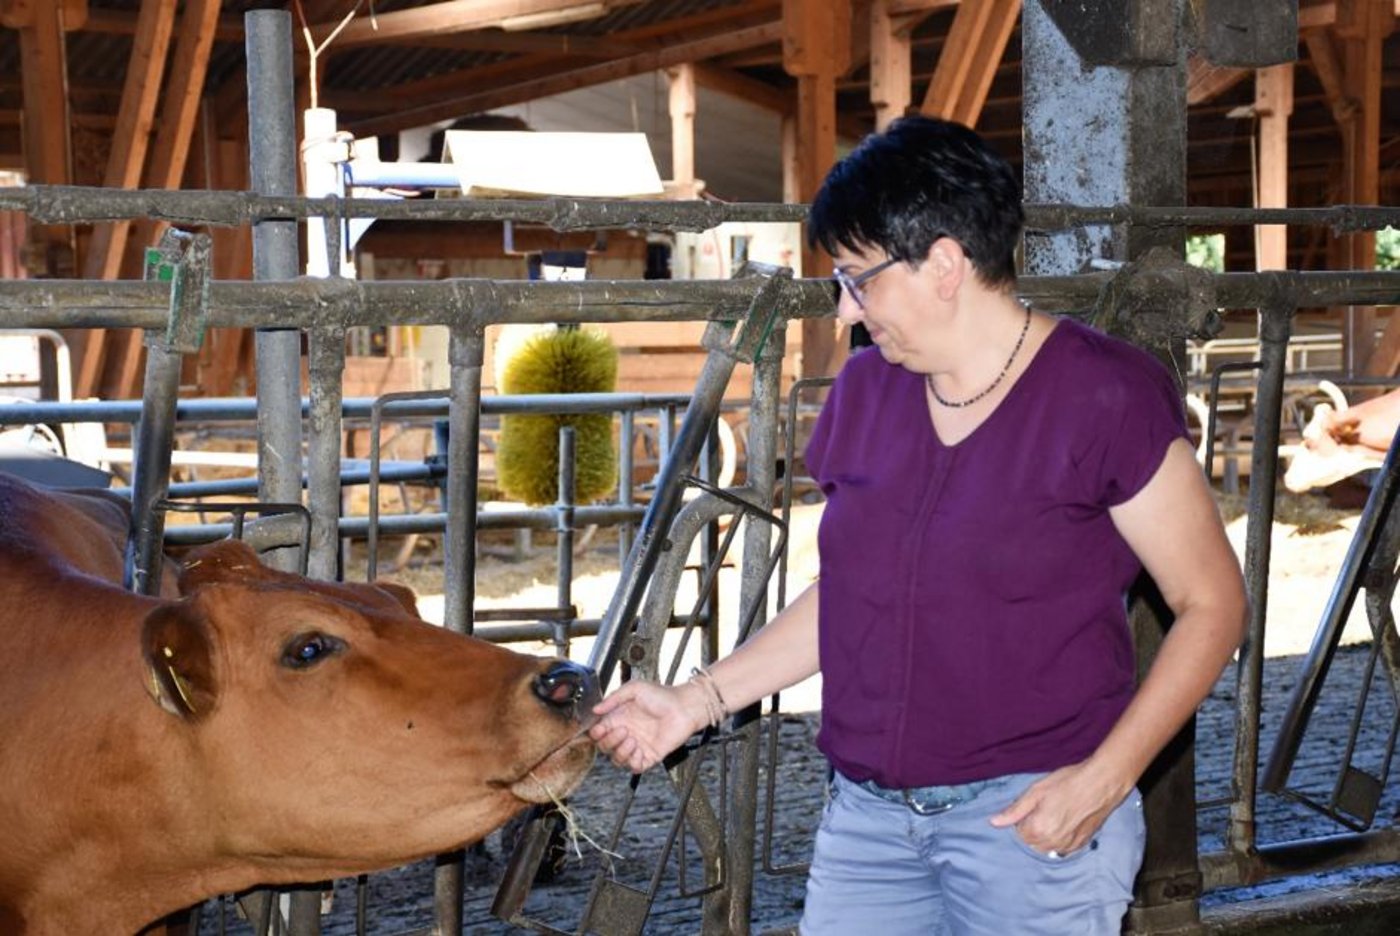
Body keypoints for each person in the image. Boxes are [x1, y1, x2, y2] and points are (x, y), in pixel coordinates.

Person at [588, 116, 1247, 935]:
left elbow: (1212, 603)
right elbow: (852, 598)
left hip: (1032, 817)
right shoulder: (867, 391)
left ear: (943, 264)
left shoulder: (1104, 395)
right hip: (868, 823)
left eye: (858, 279)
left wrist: (1107, 779)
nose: (845, 309)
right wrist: (694, 702)